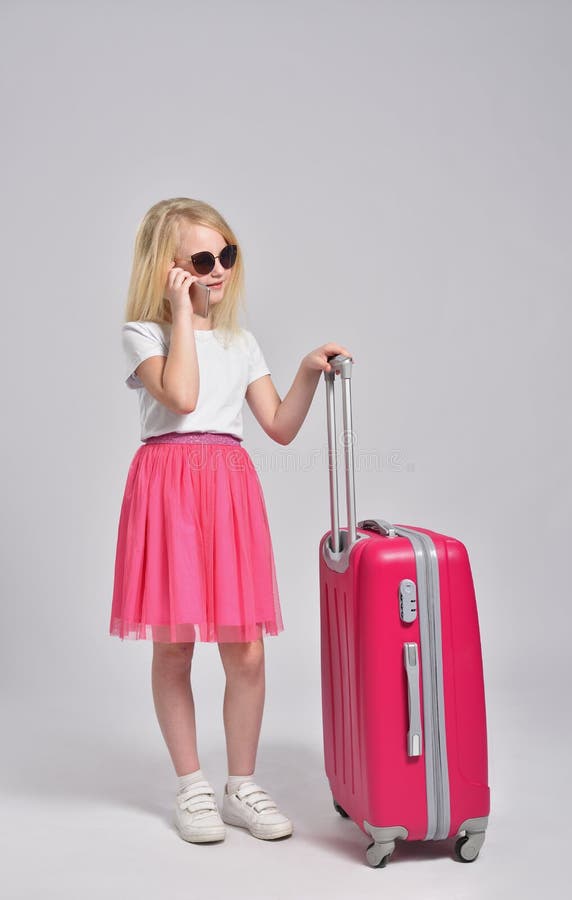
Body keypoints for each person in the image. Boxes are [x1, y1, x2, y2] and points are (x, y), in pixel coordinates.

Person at [109, 197, 354, 845]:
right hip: (168, 491)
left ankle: (241, 785)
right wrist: (183, 315)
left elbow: (275, 426)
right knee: (175, 644)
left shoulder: (242, 342)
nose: (219, 269)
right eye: (202, 258)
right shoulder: (145, 334)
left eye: (227, 254)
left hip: (228, 489)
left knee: (245, 649)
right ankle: (191, 786)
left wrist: (303, 371)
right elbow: (183, 397)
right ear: (169, 269)